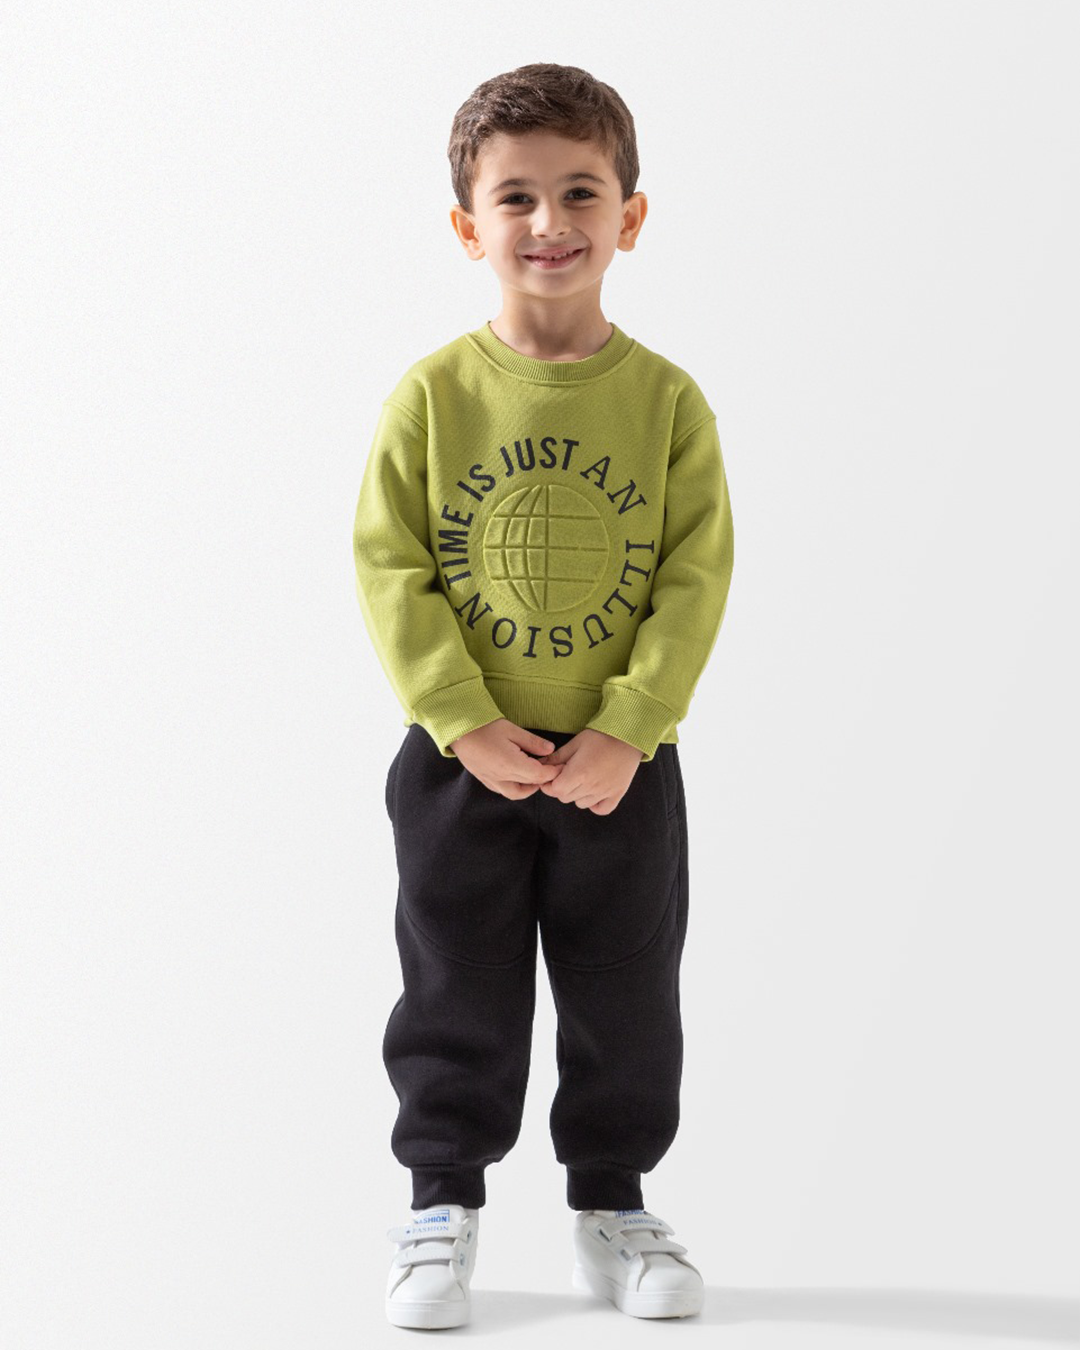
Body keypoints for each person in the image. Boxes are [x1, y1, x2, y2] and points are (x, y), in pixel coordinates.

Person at [352, 61, 735, 1330]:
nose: (549, 221)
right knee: (452, 987)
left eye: (581, 191)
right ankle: (439, 1203)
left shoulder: (667, 403)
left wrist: (630, 726)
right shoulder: (432, 397)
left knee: (626, 992)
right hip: (460, 766)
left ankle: (613, 1208)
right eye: (515, 196)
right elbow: (392, 564)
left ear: (632, 215)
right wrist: (460, 716)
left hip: (620, 769)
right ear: (470, 226)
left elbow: (693, 576)